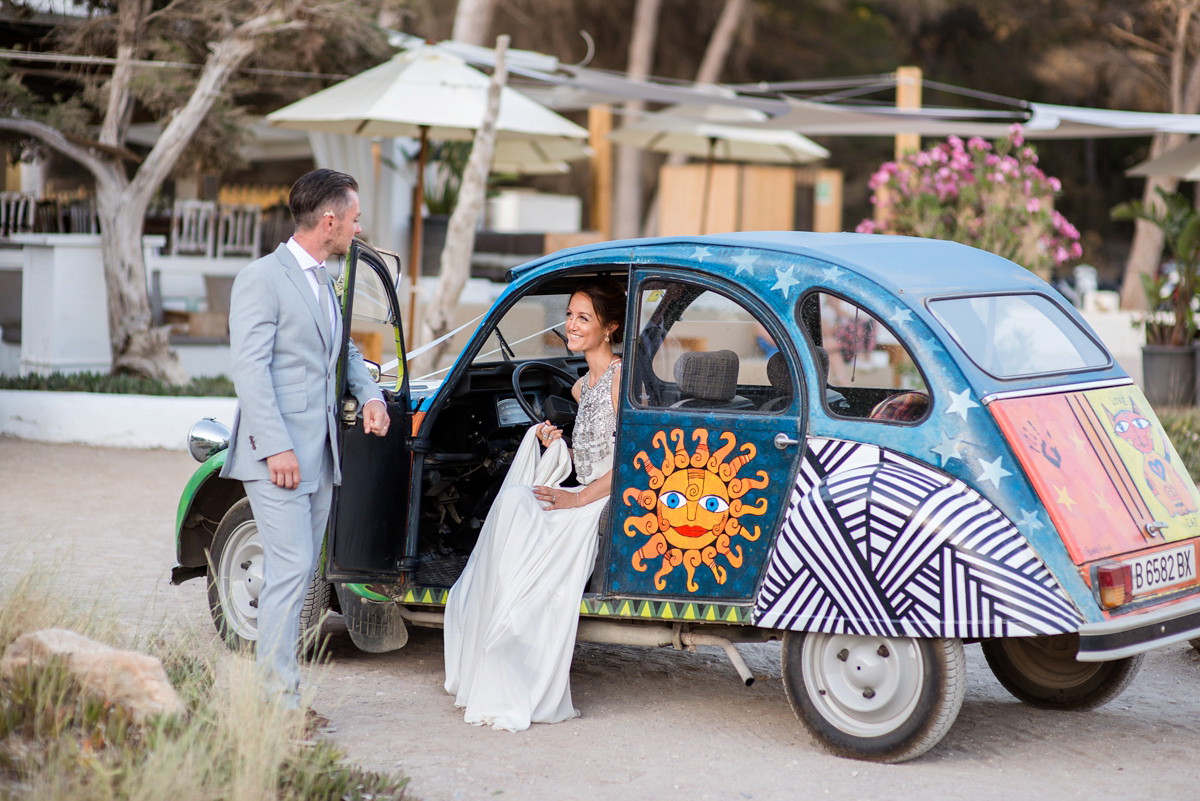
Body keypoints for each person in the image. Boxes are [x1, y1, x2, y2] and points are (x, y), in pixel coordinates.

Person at [220, 168, 389, 729]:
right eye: (356, 218)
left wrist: (368, 395)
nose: (359, 228)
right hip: (279, 461)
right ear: (330, 220)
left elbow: (341, 360)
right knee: (291, 570)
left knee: (299, 576)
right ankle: (276, 705)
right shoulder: (261, 279)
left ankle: (277, 695)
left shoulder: (324, 282)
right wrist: (275, 450)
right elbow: (251, 371)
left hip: (322, 459)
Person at [443, 278, 626, 732]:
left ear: (609, 328)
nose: (571, 325)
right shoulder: (582, 388)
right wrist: (550, 441)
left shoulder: (621, 379)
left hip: (601, 500)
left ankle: (511, 641)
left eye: (584, 318)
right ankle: (496, 631)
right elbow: (586, 452)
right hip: (580, 491)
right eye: (569, 315)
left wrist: (577, 498)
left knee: (518, 507)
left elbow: (628, 461)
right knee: (513, 502)